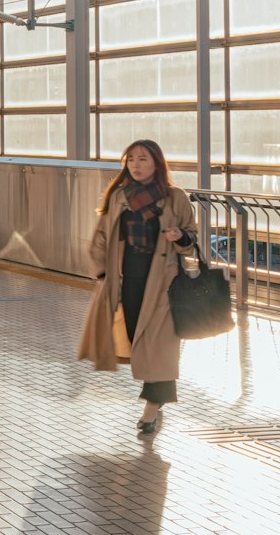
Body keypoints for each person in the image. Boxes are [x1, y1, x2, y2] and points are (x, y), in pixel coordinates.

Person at [78, 139, 196, 435]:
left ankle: (150, 409)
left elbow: (192, 240)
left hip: (163, 284)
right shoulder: (119, 196)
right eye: (130, 159)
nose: (135, 164)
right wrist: (103, 274)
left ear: (157, 162)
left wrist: (179, 236)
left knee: (159, 347)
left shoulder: (175, 197)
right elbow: (101, 239)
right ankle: (156, 398)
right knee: (137, 339)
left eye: (142, 159)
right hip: (126, 281)